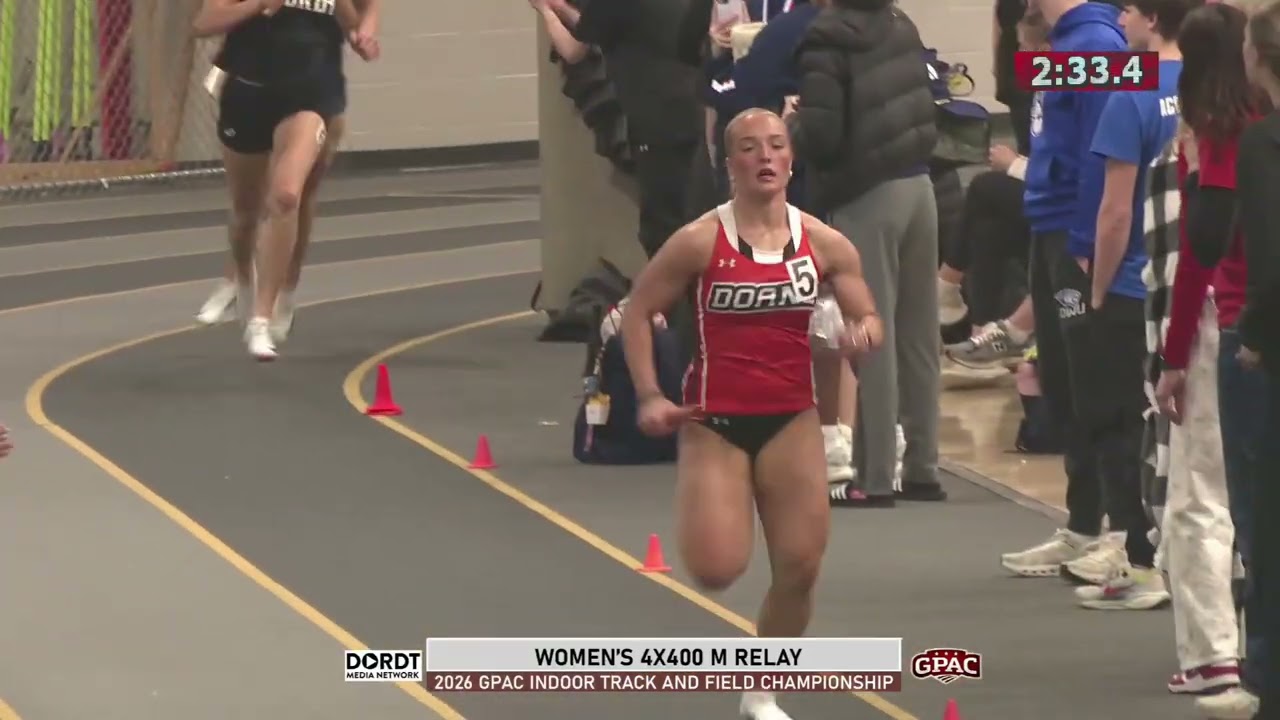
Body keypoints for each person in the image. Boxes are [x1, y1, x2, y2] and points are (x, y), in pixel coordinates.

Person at [620, 109, 882, 720]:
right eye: (747, 148)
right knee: (717, 569)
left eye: (775, 146)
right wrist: (650, 394)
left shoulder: (824, 242)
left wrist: (860, 335)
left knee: (800, 565)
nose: (763, 157)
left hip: (792, 416)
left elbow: (867, 314)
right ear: (729, 163)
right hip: (716, 420)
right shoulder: (697, 242)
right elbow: (636, 312)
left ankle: (760, 690)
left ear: (791, 159)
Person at [787, 0, 943, 507]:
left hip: (866, 196)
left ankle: (874, 478)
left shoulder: (826, 37)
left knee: (870, 332)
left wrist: (791, 124)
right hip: (920, 188)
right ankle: (922, 467)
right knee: (919, 335)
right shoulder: (902, 24)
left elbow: (825, 132)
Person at [998, 0, 1132, 577]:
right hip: (1047, 226)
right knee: (1060, 375)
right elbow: (1048, 131)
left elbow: (1103, 157)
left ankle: (1124, 532)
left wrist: (1085, 239)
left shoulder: (1098, 43)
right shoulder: (1061, 41)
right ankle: (1081, 525)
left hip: (1073, 237)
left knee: (1094, 382)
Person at [1151, 1, 1256, 698]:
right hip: (1263, 319)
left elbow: (1198, 256)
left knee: (1197, 499)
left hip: (1223, 318)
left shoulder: (1211, 142)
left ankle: (1212, 652)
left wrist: (1174, 354)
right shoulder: (1264, 126)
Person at [192, 0, 380, 361]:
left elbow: (361, 13)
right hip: (249, 90)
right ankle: (236, 282)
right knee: (246, 211)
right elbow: (203, 21)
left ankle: (263, 316)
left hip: (311, 92)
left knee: (287, 196)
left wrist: (363, 32)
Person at [1206, 5, 1280, 716]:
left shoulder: (1260, 142)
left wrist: (1254, 336)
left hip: (1267, 349)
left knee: (1262, 520)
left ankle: (1266, 675)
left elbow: (1267, 258)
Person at [532, 0, 700, 259]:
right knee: (685, 208)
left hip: (655, 115)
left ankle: (673, 294)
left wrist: (546, 8)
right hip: (687, 107)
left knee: (663, 224)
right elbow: (586, 33)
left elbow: (577, 46)